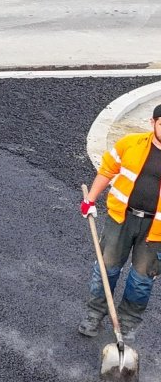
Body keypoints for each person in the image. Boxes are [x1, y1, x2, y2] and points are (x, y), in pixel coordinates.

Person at [79, 104, 161, 340]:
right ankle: (95, 314)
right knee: (106, 269)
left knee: (142, 279)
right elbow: (107, 170)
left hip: (156, 231)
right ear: (152, 123)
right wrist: (90, 199)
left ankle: (126, 325)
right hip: (121, 219)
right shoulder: (130, 144)